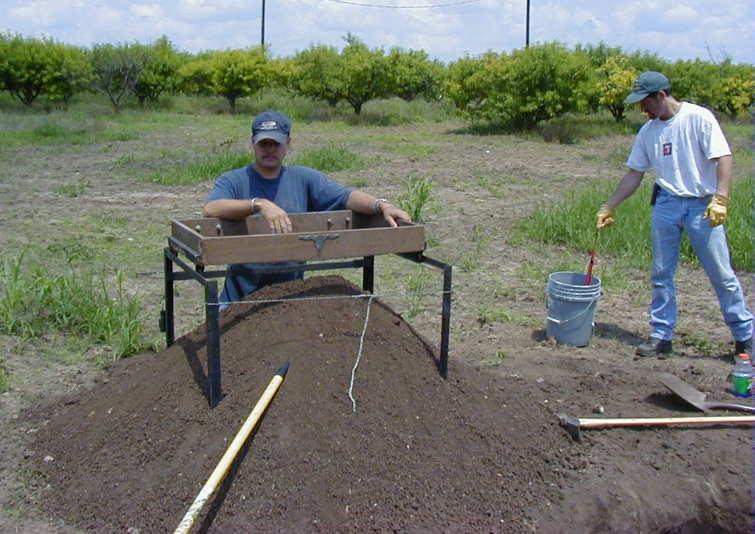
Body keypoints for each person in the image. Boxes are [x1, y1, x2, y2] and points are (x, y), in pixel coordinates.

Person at [595, 71, 752, 358]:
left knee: (721, 274)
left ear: (661, 96)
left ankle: (745, 337)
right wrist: (609, 205)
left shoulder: (698, 118)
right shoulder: (648, 132)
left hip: (701, 206)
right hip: (666, 205)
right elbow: (635, 174)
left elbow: (723, 157)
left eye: (646, 102)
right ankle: (661, 336)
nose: (643, 109)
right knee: (661, 273)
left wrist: (720, 198)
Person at [203, 110, 411, 310]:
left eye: (275, 143)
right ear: (253, 143)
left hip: (290, 295)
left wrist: (382, 205)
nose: (269, 150)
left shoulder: (303, 178)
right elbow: (211, 208)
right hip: (240, 298)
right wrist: (259, 204)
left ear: (288, 144)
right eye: (263, 144)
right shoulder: (235, 180)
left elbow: (345, 196)